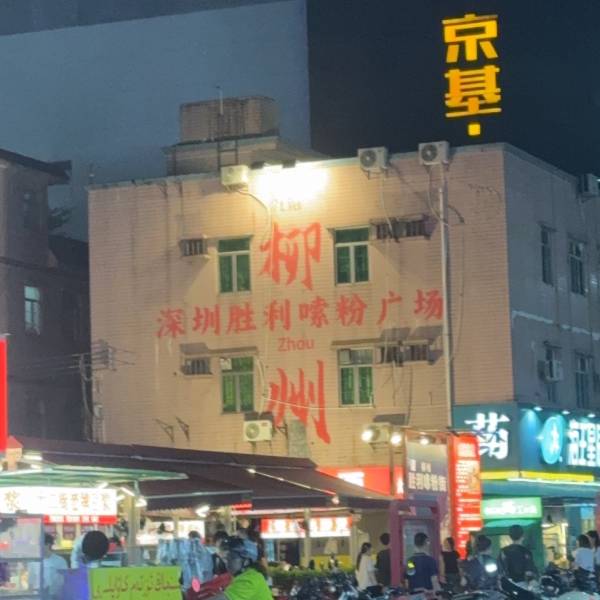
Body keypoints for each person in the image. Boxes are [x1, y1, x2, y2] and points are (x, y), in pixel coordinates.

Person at [210, 535, 271, 600]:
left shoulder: (249, 579)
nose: (227, 562)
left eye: (231, 558)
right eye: (226, 558)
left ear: (246, 561)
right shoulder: (246, 575)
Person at [28, 533, 68, 600]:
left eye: (40, 544)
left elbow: (65, 581)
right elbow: (31, 583)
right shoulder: (34, 562)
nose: (38, 546)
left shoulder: (60, 561)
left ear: (48, 544)